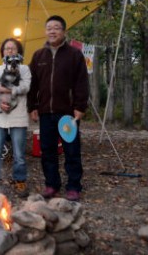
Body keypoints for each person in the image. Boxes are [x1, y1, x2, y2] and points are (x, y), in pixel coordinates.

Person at [27, 15, 89, 202]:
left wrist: (79, 106)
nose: (52, 31)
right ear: (45, 32)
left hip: (67, 113)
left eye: (56, 28)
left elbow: (81, 83)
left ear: (63, 31)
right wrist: (32, 106)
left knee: (71, 149)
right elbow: (32, 84)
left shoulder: (74, 55)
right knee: (48, 151)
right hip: (45, 112)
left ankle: (73, 186)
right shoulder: (39, 56)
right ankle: (52, 184)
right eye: (49, 28)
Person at [0, 38, 31, 198]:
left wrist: (8, 90)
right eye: (7, 49)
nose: (10, 51)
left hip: (18, 114)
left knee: (19, 152)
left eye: (13, 48)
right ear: (3, 53)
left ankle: (20, 179)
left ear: (18, 52)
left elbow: (26, 87)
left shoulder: (24, 69)